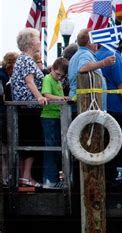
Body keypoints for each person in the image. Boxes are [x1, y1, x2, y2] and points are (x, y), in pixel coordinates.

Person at [10, 28, 47, 188]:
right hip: (28, 108)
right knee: (32, 140)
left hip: (28, 108)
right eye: (38, 39)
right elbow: (29, 81)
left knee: (30, 140)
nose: (39, 42)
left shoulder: (25, 59)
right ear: (30, 42)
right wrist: (39, 97)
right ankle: (26, 177)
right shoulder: (25, 59)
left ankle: (25, 176)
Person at [96, 44, 122, 183]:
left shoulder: (94, 55)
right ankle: (115, 177)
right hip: (116, 107)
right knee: (116, 143)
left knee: (103, 143)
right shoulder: (114, 56)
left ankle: (103, 176)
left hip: (99, 106)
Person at [68, 29, 116, 109]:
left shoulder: (78, 54)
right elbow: (82, 67)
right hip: (85, 104)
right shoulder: (85, 54)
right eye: (95, 40)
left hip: (84, 103)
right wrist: (104, 62)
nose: (97, 43)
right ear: (89, 42)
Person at [40, 57, 69, 188]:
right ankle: (49, 180)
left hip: (57, 116)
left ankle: (54, 178)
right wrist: (61, 98)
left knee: (56, 148)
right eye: (57, 74)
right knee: (50, 148)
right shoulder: (47, 79)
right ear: (52, 69)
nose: (59, 77)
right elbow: (46, 95)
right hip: (49, 117)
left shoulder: (57, 81)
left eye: (61, 76)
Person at [0, 52, 18, 184]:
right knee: (4, 150)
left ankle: (6, 178)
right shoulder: (3, 76)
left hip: (4, 116)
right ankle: (5, 179)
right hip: (3, 116)